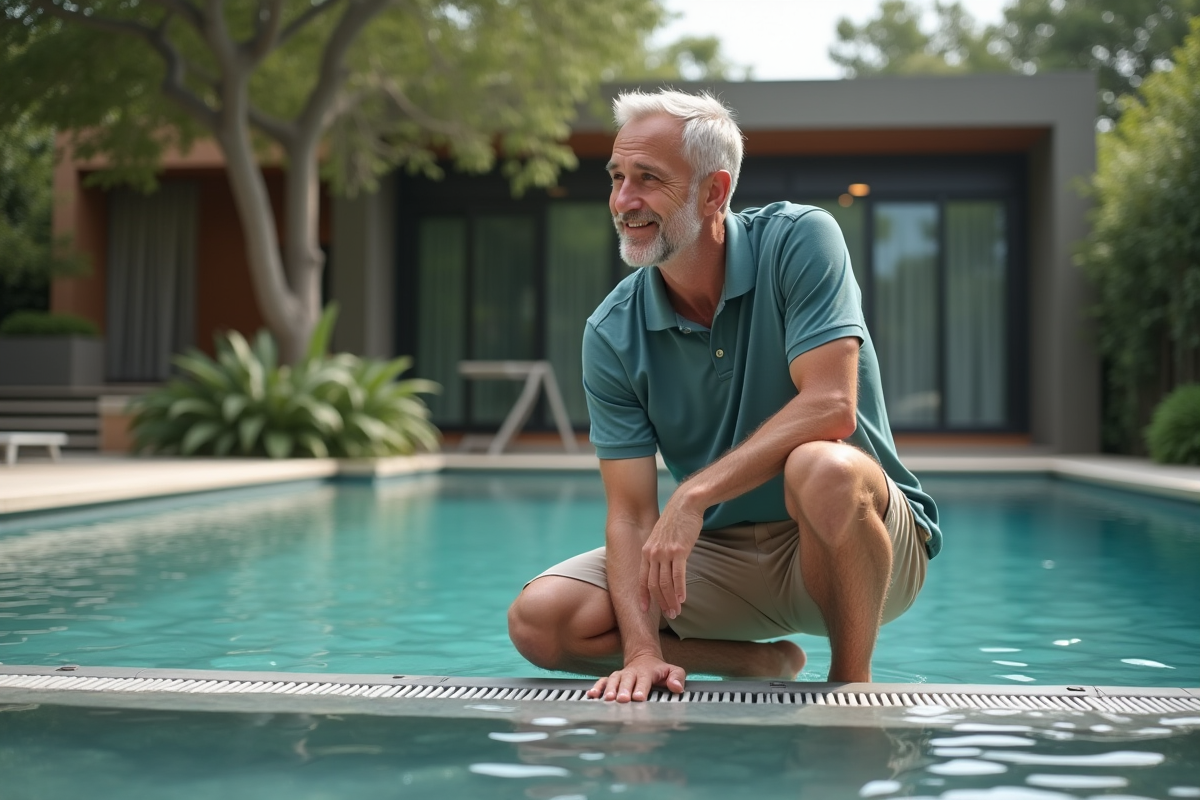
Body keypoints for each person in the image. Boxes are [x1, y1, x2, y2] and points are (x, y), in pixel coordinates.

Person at [507, 89, 941, 703]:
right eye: (617, 178)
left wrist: (693, 494)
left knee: (823, 467)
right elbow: (630, 512)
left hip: (857, 547)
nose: (623, 202)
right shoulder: (612, 330)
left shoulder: (800, 240)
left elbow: (830, 406)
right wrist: (641, 652)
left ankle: (850, 686)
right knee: (541, 620)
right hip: (721, 561)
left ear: (714, 191)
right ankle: (753, 664)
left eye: (648, 179)